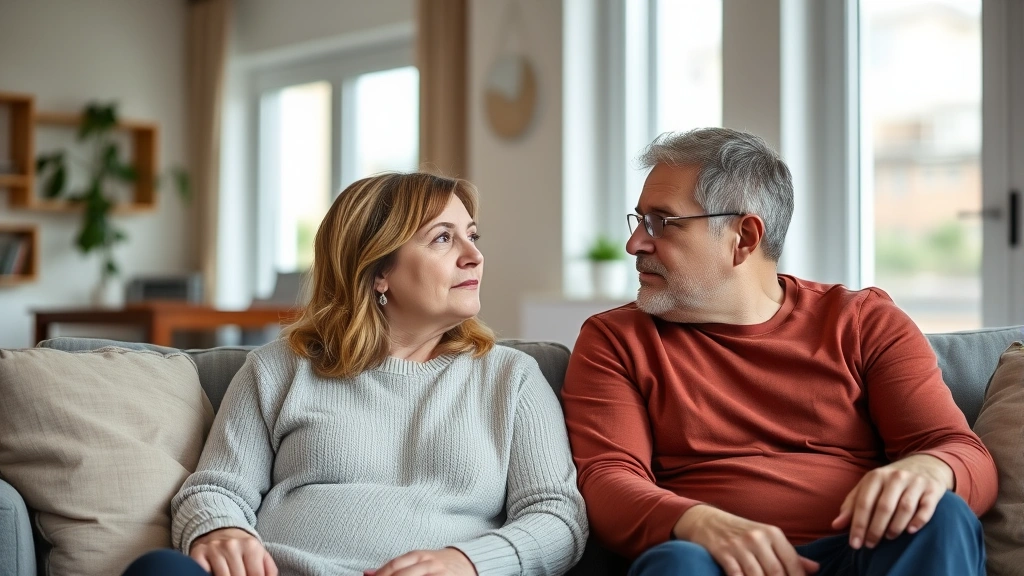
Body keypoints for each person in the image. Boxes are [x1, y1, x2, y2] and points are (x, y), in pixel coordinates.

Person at [560, 128, 997, 576]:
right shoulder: (615, 339)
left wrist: (931, 469)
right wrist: (696, 521)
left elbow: (961, 451)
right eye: (639, 221)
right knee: (677, 564)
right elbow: (607, 479)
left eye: (661, 223)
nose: (635, 244)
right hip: (718, 564)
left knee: (942, 518)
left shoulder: (864, 322)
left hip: (865, 556)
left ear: (744, 238)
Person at [124, 172, 587, 576]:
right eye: (443, 238)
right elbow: (216, 487)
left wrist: (468, 563)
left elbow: (557, 515)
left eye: (472, 236)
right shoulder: (279, 368)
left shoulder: (512, 379)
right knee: (158, 570)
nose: (474, 256)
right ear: (377, 270)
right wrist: (219, 530)